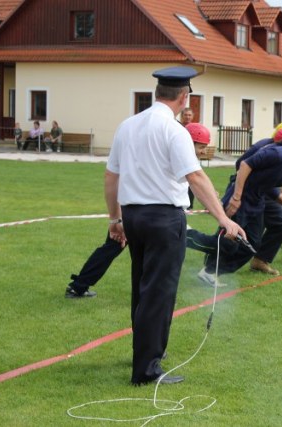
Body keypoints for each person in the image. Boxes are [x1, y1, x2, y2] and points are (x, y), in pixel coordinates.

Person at [104, 66, 244, 386]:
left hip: (133, 216)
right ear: (184, 97)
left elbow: (112, 176)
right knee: (158, 292)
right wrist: (223, 219)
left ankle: (145, 351)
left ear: (158, 93)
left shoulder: (128, 125)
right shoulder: (175, 131)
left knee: (142, 287)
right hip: (163, 219)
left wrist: (115, 219)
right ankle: (146, 369)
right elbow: (195, 176)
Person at [65, 123, 240, 298]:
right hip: (158, 218)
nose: (203, 152)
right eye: (201, 147)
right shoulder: (176, 155)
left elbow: (191, 184)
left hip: (134, 213)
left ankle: (78, 286)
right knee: (197, 243)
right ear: (190, 142)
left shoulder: (173, 155)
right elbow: (192, 181)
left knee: (112, 248)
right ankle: (222, 250)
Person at [198, 131, 282, 285]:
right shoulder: (278, 154)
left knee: (251, 246)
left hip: (257, 202)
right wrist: (236, 197)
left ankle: (213, 270)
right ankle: (198, 252)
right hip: (241, 198)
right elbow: (244, 165)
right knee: (229, 239)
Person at [179, 108, 196, 208]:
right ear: (182, 116)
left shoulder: (194, 129)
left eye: (189, 115)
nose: (188, 117)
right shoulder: (178, 126)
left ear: (192, 116)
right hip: (181, 158)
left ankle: (190, 205)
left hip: (192, 157)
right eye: (186, 115)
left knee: (192, 181)